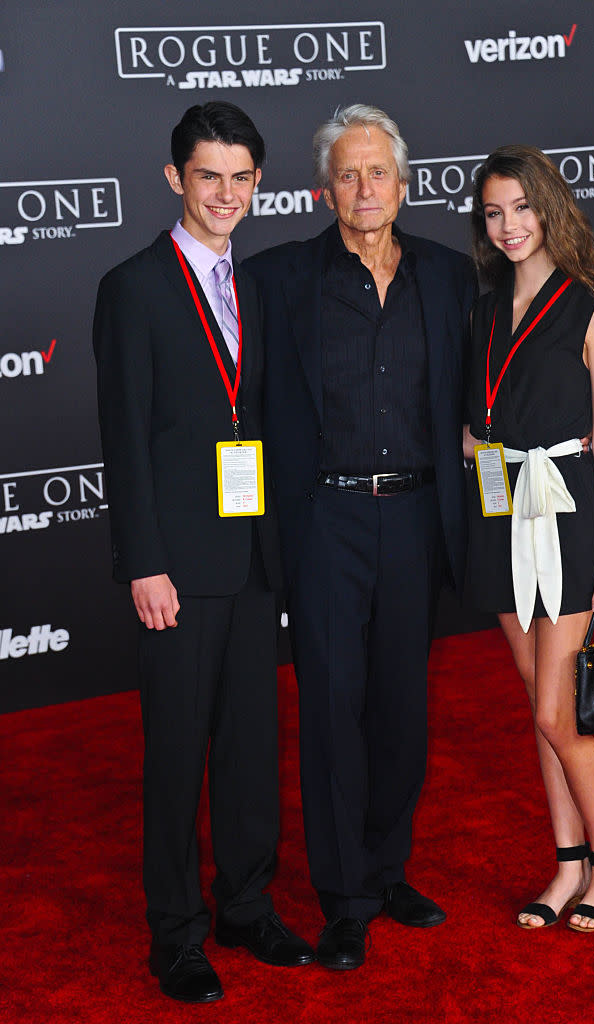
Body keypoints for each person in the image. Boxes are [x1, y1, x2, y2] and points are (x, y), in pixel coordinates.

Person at [245, 105, 476, 969]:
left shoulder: (451, 279)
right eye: (348, 172)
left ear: (406, 185)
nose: (365, 186)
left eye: (379, 171)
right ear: (324, 188)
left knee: (403, 711)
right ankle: (343, 898)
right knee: (333, 713)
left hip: (418, 517)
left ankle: (385, 872)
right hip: (324, 520)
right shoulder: (277, 280)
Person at [93, 102, 313, 1004]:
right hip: (175, 569)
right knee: (178, 752)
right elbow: (127, 438)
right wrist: (144, 562)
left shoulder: (254, 286)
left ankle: (245, 906)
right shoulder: (134, 285)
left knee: (252, 748)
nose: (224, 193)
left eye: (240, 177)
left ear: (258, 184)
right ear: (175, 179)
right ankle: (177, 933)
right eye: (207, 176)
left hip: (253, 559)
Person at [463, 145, 594, 933]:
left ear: (549, 207)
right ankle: (564, 864)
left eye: (522, 208)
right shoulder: (485, 305)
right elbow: (477, 421)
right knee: (540, 706)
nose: (509, 226)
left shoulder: (591, 303)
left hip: (569, 520)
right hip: (501, 515)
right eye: (494, 213)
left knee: (558, 716)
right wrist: (475, 448)